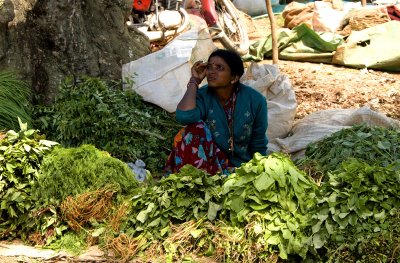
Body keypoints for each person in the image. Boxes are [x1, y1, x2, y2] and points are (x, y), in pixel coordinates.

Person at [165, 49, 268, 175]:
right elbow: (184, 116)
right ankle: (194, 183)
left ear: (234, 78)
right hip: (209, 164)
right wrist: (194, 81)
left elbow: (259, 142)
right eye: (209, 67)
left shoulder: (255, 101)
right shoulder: (203, 95)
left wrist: (260, 171)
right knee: (195, 128)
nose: (211, 72)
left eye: (220, 68)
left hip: (240, 167)